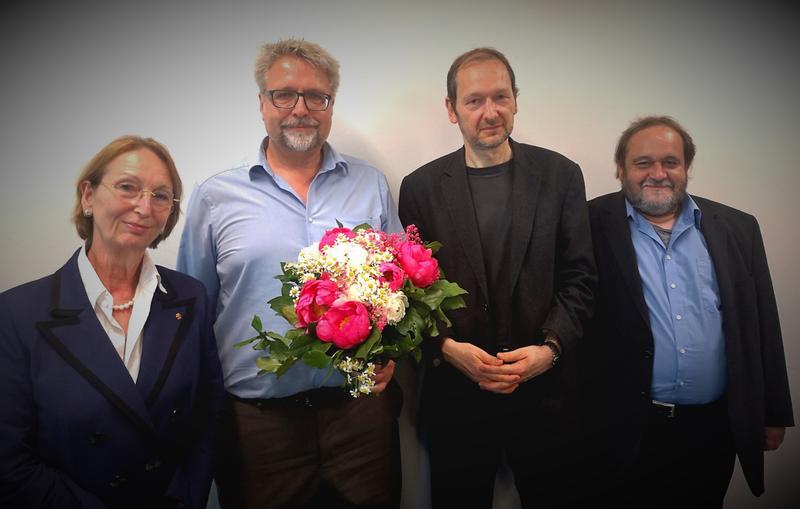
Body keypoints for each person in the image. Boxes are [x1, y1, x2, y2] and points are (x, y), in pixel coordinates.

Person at [177, 38, 404, 509]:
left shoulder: (371, 184)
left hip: (359, 417)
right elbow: (191, 311)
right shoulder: (216, 196)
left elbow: (397, 284)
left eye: (316, 96)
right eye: (284, 94)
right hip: (259, 427)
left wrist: (392, 353)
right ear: (262, 103)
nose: (301, 108)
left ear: (331, 106)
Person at [398, 47, 596, 508]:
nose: (490, 112)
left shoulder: (561, 175)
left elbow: (581, 277)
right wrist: (447, 350)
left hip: (548, 400)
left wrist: (550, 351)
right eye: (474, 101)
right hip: (457, 401)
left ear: (516, 100)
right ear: (451, 109)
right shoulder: (420, 187)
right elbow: (409, 292)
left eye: (500, 97)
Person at [0, 135, 225, 509]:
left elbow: (207, 417)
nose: (143, 206)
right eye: (127, 187)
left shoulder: (191, 297)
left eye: (160, 196)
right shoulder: (17, 313)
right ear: (88, 196)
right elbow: (9, 457)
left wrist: (185, 497)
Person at [582, 115, 794, 508]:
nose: (657, 173)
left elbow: (762, 322)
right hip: (622, 426)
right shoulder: (587, 224)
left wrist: (773, 410)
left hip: (710, 430)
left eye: (670, 162)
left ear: (686, 168)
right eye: (643, 163)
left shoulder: (737, 228)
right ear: (620, 169)